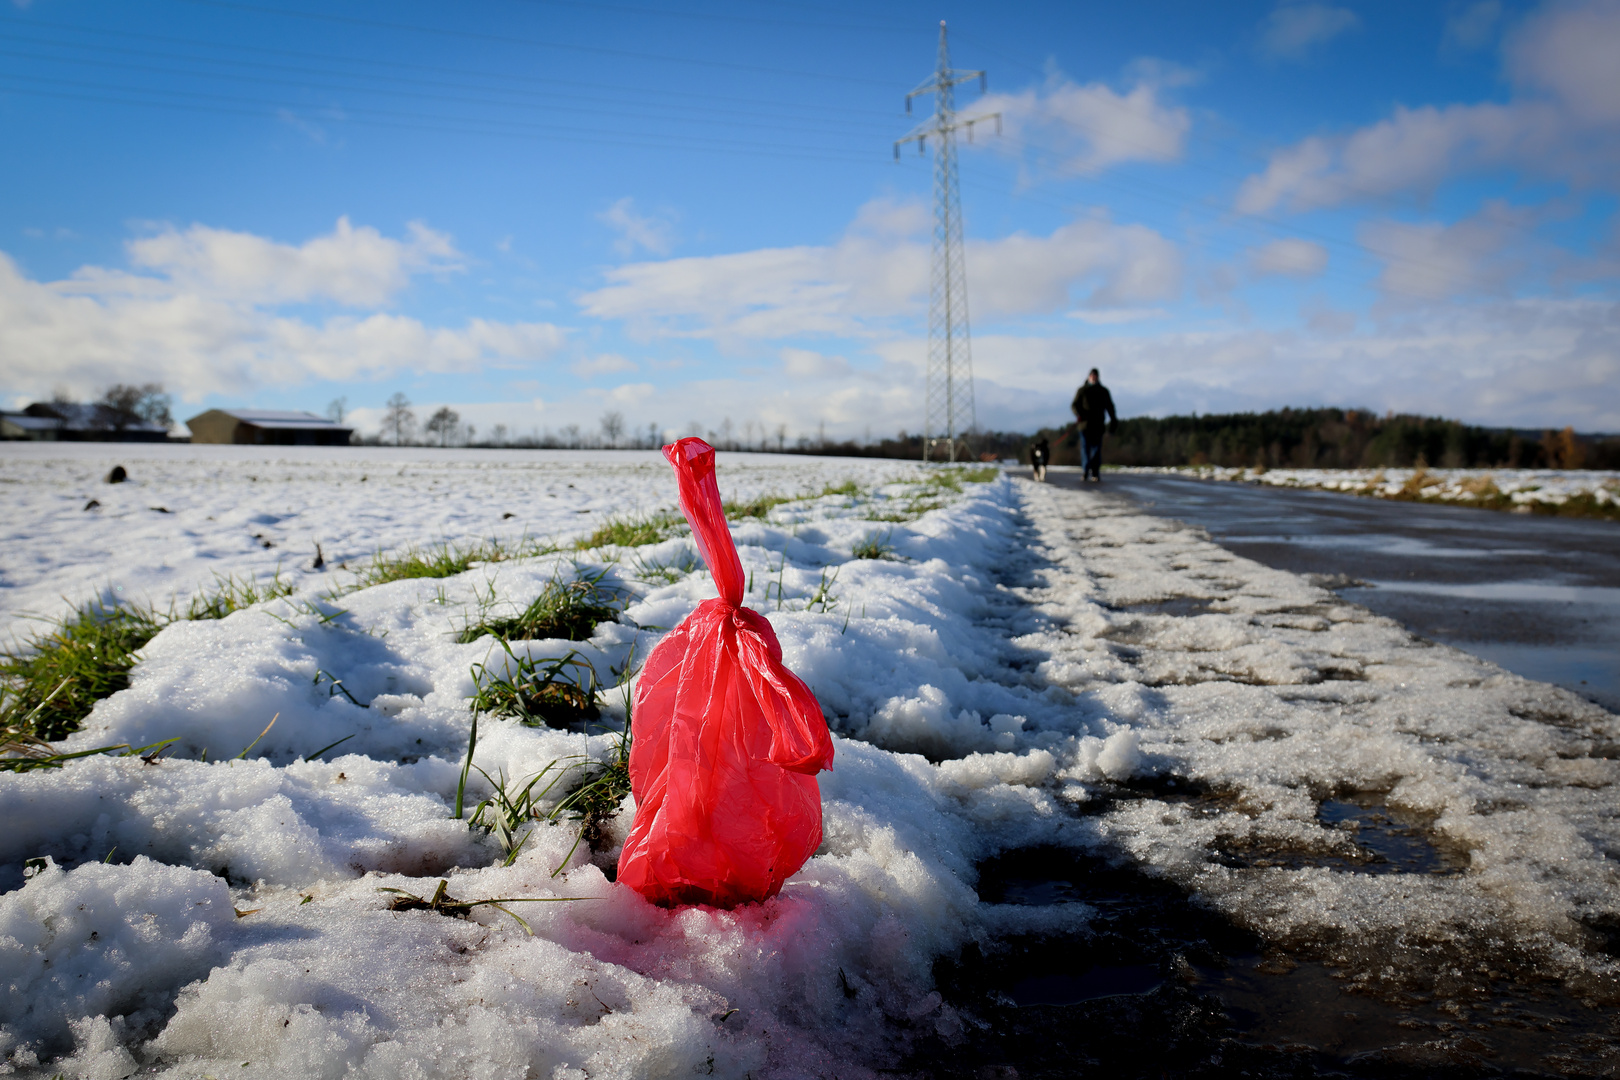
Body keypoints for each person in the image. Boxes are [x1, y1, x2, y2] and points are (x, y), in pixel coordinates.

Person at [1070, 368, 1117, 482]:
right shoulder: (1082, 390)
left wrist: (1113, 421)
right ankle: (1085, 471)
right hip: (1084, 425)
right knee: (1085, 449)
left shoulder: (1103, 391)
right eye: (1091, 375)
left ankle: (1095, 472)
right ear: (1088, 376)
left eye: (1095, 375)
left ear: (1098, 377)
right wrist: (1079, 413)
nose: (1093, 377)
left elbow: (1110, 407)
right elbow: (1074, 405)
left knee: (1096, 450)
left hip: (1098, 425)